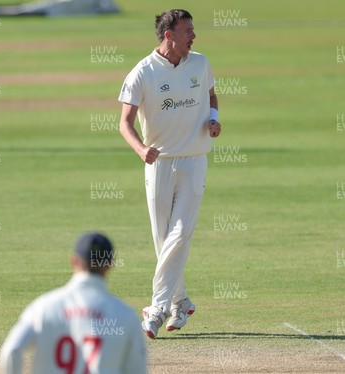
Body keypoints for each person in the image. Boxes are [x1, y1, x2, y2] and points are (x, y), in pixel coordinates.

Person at [118, 9, 221, 339]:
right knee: (163, 240)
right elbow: (125, 123)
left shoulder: (200, 63)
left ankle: (156, 309)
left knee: (178, 235)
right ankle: (182, 302)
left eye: (193, 29)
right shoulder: (143, 72)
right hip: (158, 163)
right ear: (169, 36)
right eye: (188, 30)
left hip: (194, 160)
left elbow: (211, 94)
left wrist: (213, 118)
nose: (194, 35)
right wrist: (140, 150)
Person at [0, 232, 147, 374]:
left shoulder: (44, 307)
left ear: (74, 261)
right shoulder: (125, 315)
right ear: (109, 265)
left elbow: (12, 350)